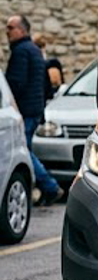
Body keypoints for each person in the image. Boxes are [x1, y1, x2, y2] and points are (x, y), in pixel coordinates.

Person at [5, 15, 63, 206]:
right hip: (35, 109)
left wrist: (9, 104)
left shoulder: (21, 51)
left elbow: (16, 83)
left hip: (24, 111)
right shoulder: (34, 50)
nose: (6, 31)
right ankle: (48, 187)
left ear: (22, 30)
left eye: (10, 27)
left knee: (23, 152)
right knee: (25, 150)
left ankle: (50, 187)